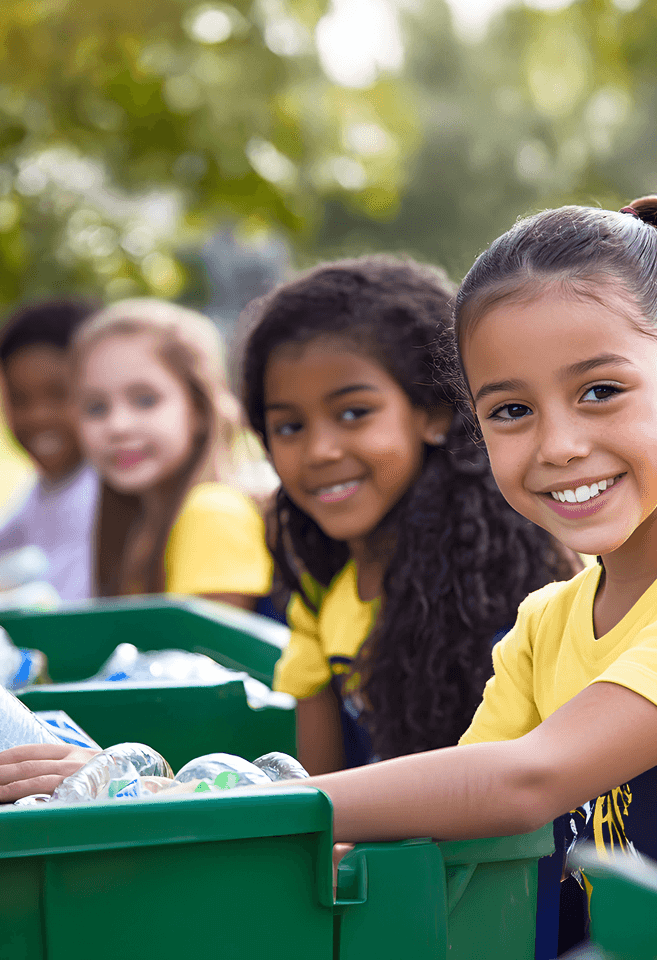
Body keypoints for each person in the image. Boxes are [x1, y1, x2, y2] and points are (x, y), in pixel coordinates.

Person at [0, 200, 657, 951]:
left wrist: (201, 796)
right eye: (510, 410)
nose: (558, 445)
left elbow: (526, 779)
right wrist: (176, 797)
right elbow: (454, 803)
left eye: (601, 391)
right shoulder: (546, 624)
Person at [238, 255, 580, 776]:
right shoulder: (321, 601)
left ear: (434, 414)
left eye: (354, 413)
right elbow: (323, 799)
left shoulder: (515, 592)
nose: (320, 451)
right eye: (289, 426)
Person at [68, 298, 273, 608]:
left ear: (200, 410)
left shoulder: (212, 513)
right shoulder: (140, 524)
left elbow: (211, 655)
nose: (117, 426)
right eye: (96, 407)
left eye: (145, 400)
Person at [0, 297, 100, 602]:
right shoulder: (46, 489)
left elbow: (67, 603)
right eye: (19, 399)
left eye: (58, 394)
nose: (37, 415)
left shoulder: (100, 492)